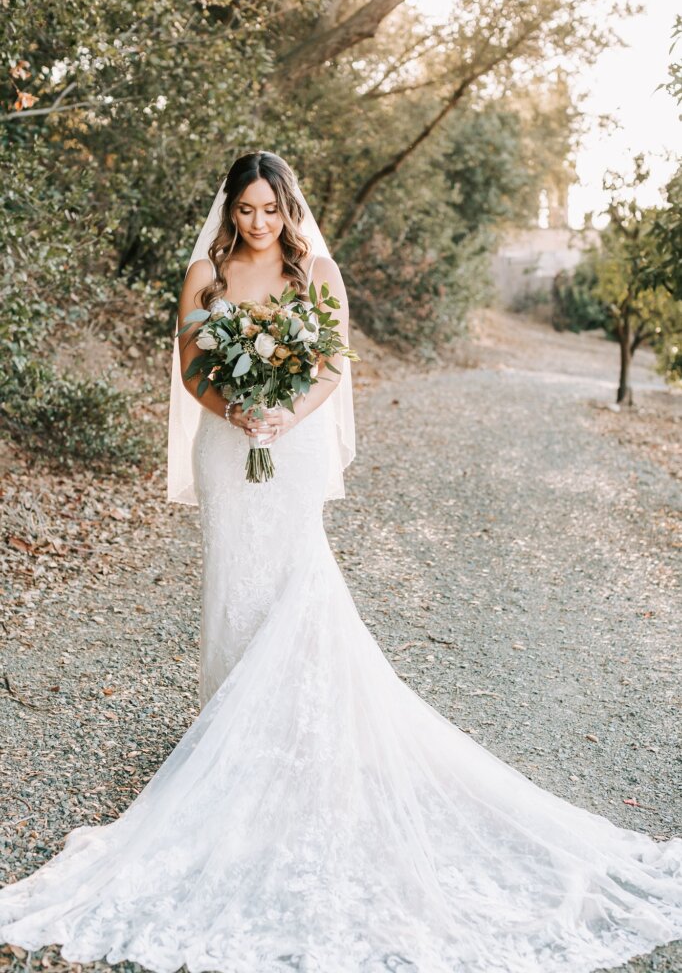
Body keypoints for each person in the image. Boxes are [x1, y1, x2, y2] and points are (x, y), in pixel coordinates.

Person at [0, 151, 681, 973]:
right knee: (232, 592)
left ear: (289, 209)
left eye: (268, 211)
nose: (257, 225)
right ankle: (231, 757)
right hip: (229, 447)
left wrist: (282, 411)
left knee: (296, 585)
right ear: (229, 210)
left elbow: (330, 364)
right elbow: (188, 368)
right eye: (244, 211)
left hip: (290, 445)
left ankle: (303, 758)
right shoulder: (204, 275)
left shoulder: (316, 268)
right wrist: (238, 408)